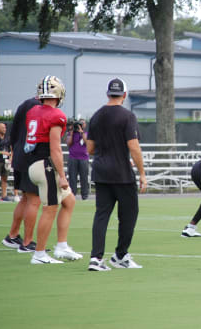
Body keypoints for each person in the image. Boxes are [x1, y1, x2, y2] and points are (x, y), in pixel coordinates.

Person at [86, 78, 147, 271]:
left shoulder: (96, 116)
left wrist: (109, 152)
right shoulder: (128, 116)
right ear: (125, 95)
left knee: (101, 215)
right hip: (121, 173)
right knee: (129, 214)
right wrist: (142, 173)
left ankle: (96, 258)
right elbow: (133, 146)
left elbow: (90, 148)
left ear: (107, 94)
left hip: (101, 171)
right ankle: (120, 255)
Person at [25, 75, 82, 264]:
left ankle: (61, 246)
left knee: (69, 201)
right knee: (50, 208)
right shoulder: (56, 115)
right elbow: (55, 148)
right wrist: (63, 175)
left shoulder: (33, 111)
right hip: (46, 164)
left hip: (34, 163)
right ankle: (39, 254)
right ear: (58, 94)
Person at [1, 96, 42, 253]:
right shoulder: (38, 107)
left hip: (19, 154)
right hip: (30, 156)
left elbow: (13, 131)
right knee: (34, 199)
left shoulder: (24, 104)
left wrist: (14, 151)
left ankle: (12, 235)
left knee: (25, 198)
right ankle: (27, 242)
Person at [66, 118, 90, 200]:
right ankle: (72, 194)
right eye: (79, 124)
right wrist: (72, 132)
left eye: (82, 123)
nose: (80, 125)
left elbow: (87, 142)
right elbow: (68, 143)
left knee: (84, 177)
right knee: (72, 177)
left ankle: (85, 195)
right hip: (73, 157)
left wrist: (81, 132)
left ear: (85, 125)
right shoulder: (71, 133)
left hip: (83, 158)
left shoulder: (86, 133)